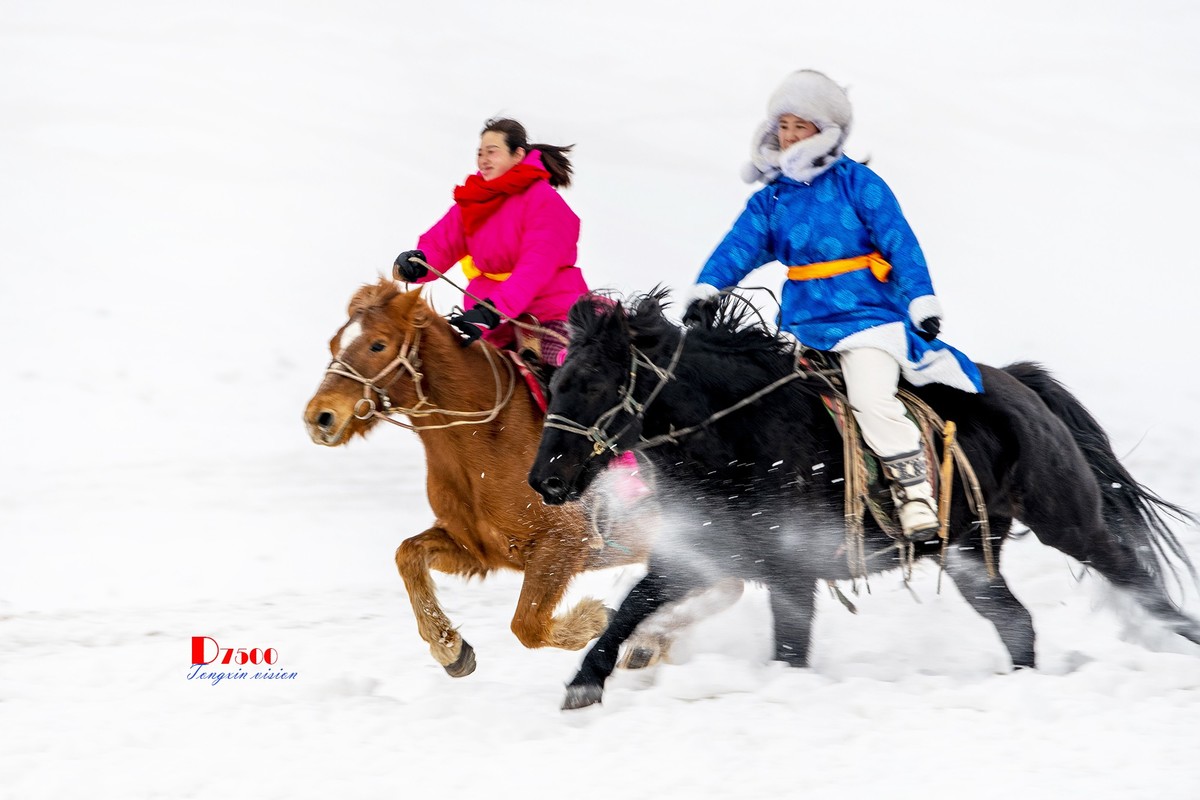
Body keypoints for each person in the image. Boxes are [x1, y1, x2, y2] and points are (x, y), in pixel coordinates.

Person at [683, 69, 984, 541]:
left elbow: (899, 242)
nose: (788, 136)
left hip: (867, 320)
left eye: (799, 127)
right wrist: (708, 289)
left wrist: (921, 299)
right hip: (800, 323)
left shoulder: (860, 184)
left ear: (825, 131)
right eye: (783, 126)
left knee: (869, 396)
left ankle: (914, 494)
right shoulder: (772, 199)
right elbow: (737, 247)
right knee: (761, 396)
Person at [393, 118, 587, 367]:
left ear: (517, 155)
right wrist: (420, 262)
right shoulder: (476, 200)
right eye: (480, 153)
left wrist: (496, 309)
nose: (483, 159)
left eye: (492, 152)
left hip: (547, 312)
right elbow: (443, 243)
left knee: (569, 374)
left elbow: (535, 267)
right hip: (489, 317)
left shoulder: (545, 201)